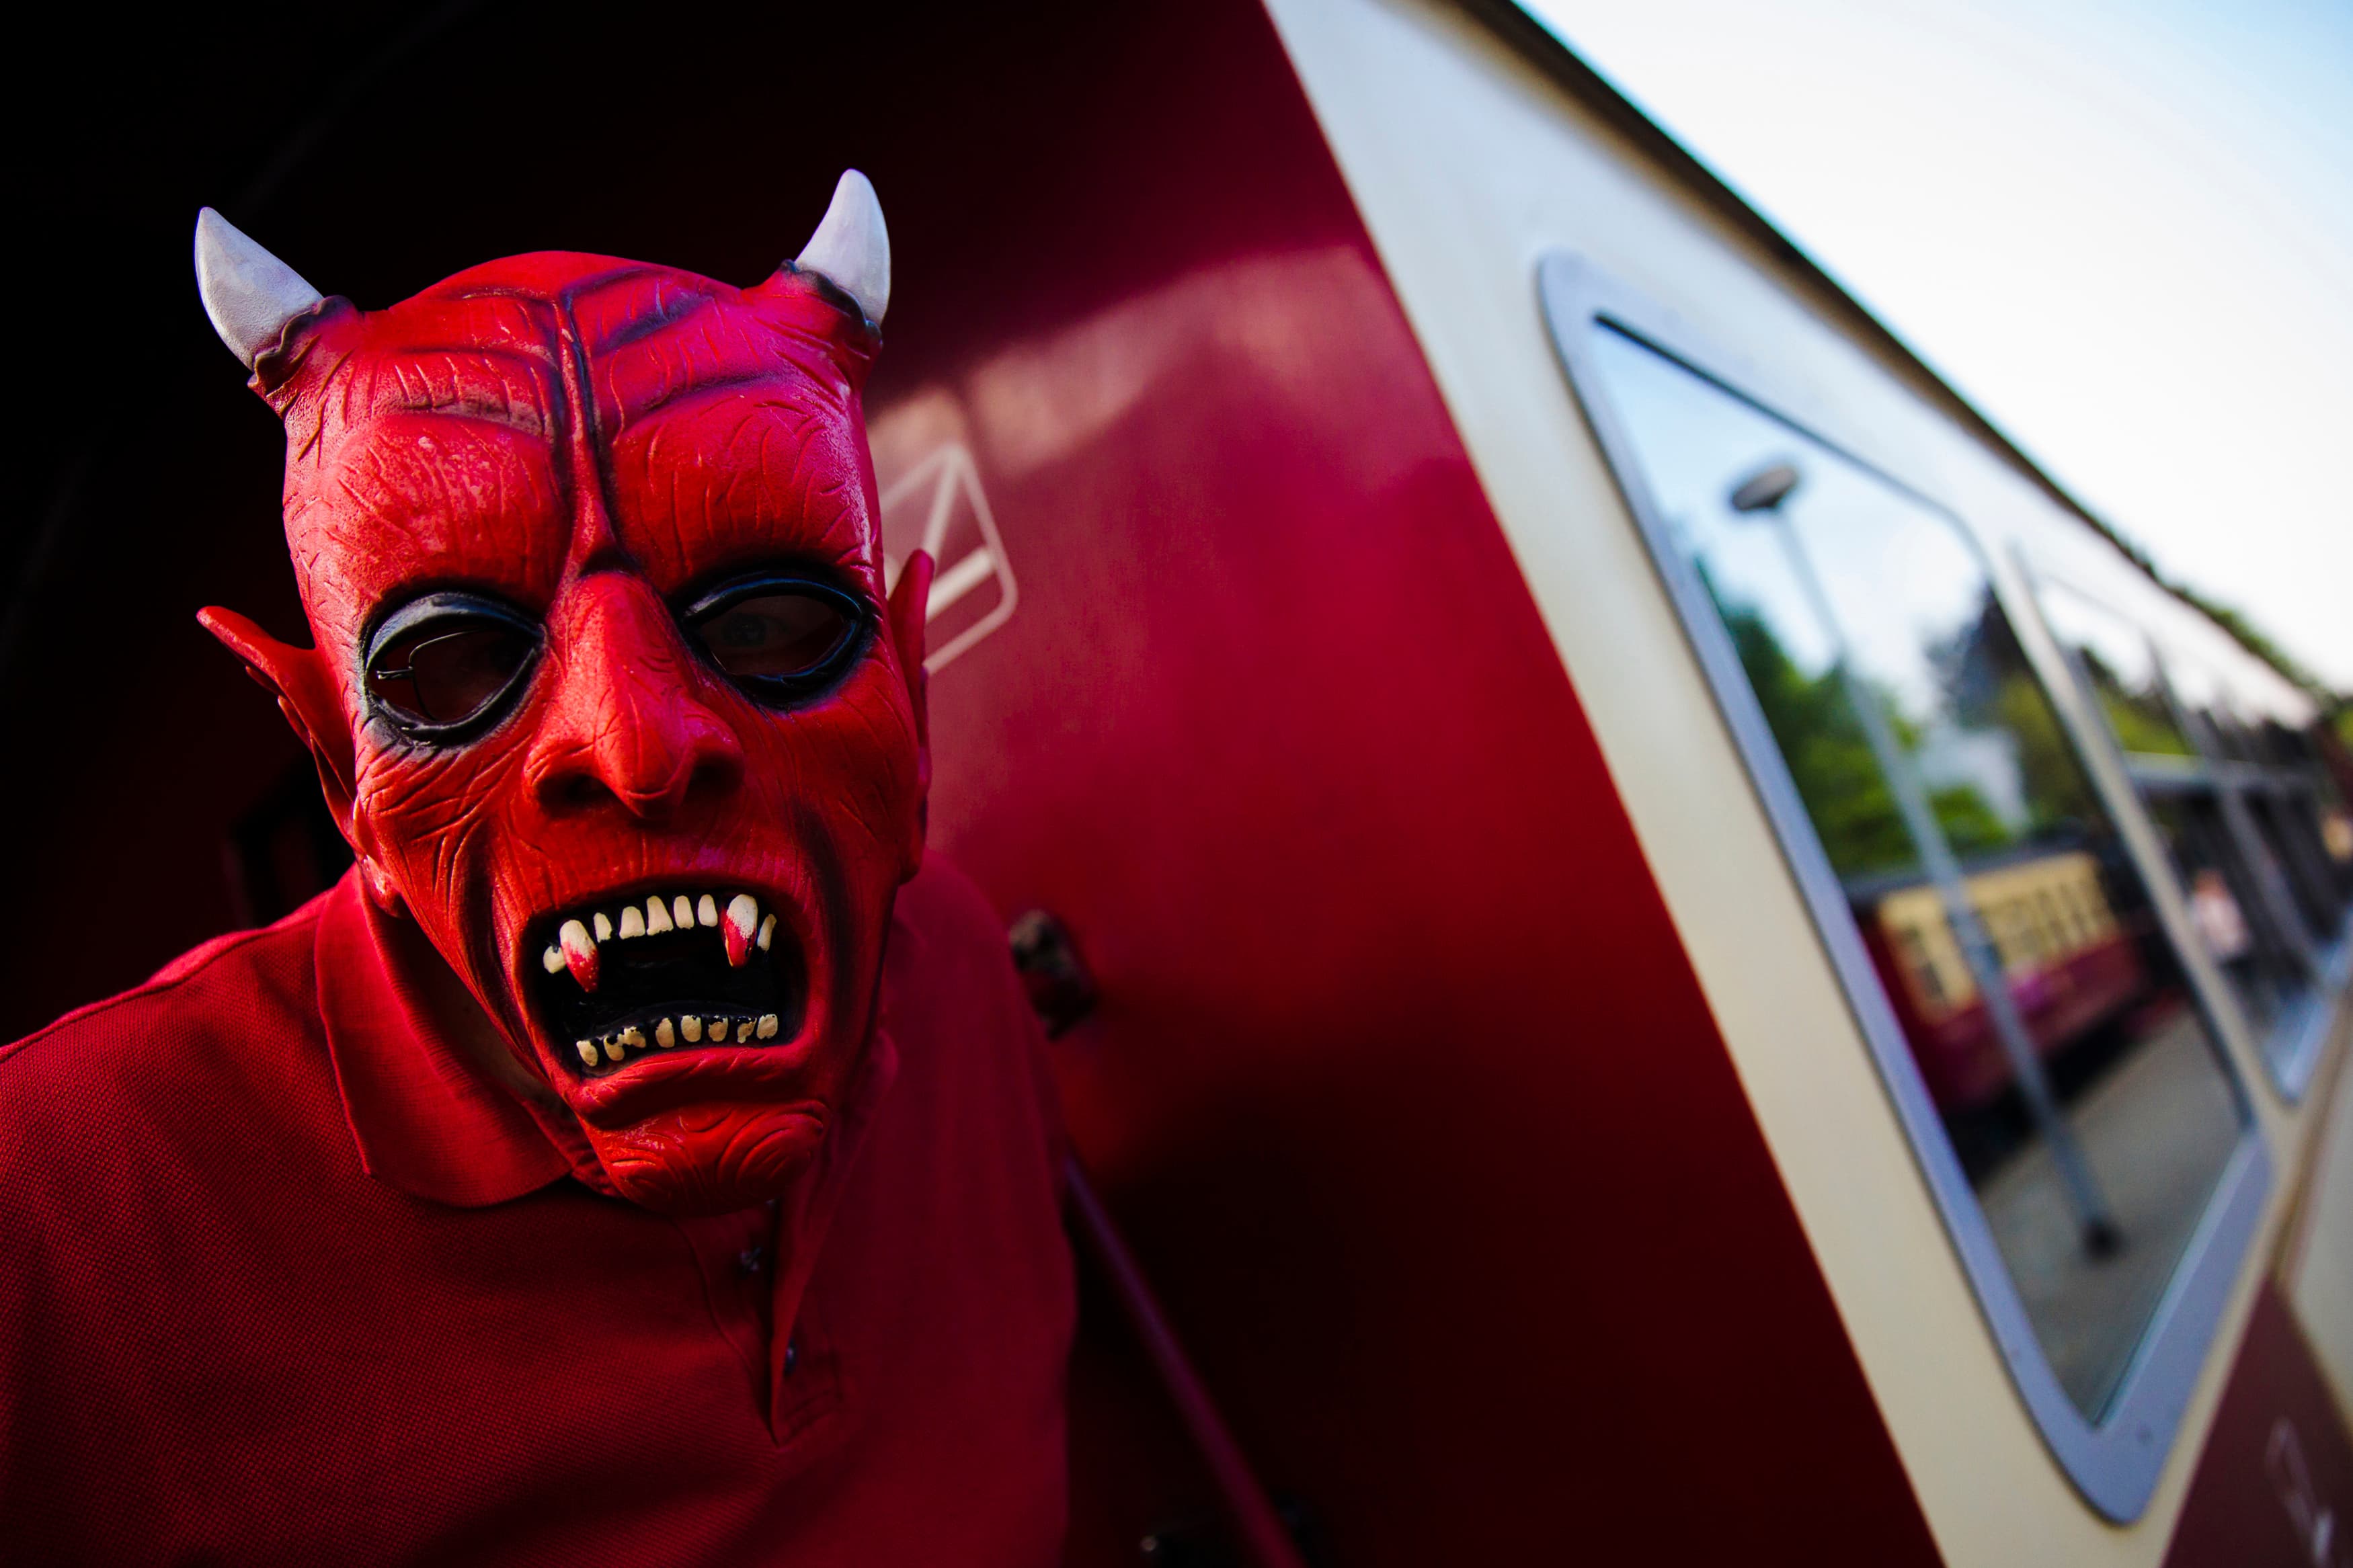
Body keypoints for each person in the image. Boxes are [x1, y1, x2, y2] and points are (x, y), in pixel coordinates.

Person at [0, 173, 1074, 1565]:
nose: (635, 747)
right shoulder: (53, 1217)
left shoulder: (958, 989)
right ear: (337, 764)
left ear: (909, 695)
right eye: (458, 663)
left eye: (761, 629)